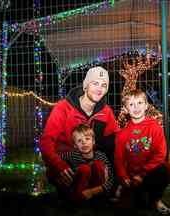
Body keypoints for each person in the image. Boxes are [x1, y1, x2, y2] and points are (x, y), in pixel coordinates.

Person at [40, 66, 119, 197]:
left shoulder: (106, 112)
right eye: (95, 83)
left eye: (104, 85)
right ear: (86, 85)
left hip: (92, 160)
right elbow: (46, 141)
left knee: (115, 141)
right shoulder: (63, 108)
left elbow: (116, 142)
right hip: (67, 163)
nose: (99, 89)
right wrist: (58, 166)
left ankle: (110, 187)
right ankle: (72, 193)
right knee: (80, 176)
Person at [114, 89, 170, 214]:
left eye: (140, 103)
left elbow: (160, 154)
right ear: (125, 109)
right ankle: (126, 191)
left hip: (148, 174)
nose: (136, 107)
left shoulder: (155, 127)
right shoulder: (122, 134)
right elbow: (119, 159)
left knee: (166, 168)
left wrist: (142, 174)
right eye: (131, 104)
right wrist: (124, 177)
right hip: (131, 178)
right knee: (128, 209)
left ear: (146, 106)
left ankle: (156, 200)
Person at [60, 124, 114, 201]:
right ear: (75, 145)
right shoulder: (72, 155)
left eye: (87, 139)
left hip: (97, 191)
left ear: (93, 141)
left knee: (97, 165)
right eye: (79, 141)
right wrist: (59, 172)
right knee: (84, 168)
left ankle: (98, 199)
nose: (84, 143)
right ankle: (77, 199)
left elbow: (111, 179)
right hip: (78, 191)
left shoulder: (101, 156)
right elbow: (56, 161)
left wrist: (93, 191)